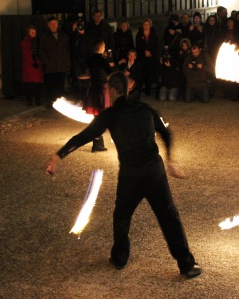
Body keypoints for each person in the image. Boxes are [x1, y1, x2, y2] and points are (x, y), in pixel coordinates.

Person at [45, 72, 202, 279]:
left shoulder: (109, 115)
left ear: (111, 90)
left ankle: (120, 257)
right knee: (169, 217)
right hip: (155, 173)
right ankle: (186, 265)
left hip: (131, 176)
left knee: (121, 217)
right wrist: (171, 160)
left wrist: (58, 155)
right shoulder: (145, 109)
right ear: (128, 88)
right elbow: (166, 132)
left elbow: (84, 136)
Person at [85, 39, 117, 152]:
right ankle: (100, 143)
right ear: (101, 47)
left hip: (93, 89)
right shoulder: (102, 60)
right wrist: (111, 65)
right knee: (105, 116)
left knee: (96, 116)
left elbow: (87, 72)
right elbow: (110, 72)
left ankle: (97, 144)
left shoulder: (89, 59)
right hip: (102, 89)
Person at [40, 17, 71, 108]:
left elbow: (67, 50)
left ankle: (60, 103)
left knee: (60, 85)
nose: (53, 25)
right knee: (50, 85)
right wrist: (47, 61)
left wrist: (67, 62)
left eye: (55, 23)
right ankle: (50, 102)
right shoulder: (44, 37)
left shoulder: (63, 36)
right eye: (51, 24)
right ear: (48, 25)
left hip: (61, 65)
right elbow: (42, 51)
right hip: (50, 66)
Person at [135, 18, 158, 97]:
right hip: (142, 57)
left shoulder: (154, 34)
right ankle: (139, 90)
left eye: (148, 24)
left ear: (150, 25)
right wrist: (144, 52)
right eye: (145, 24)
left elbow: (156, 46)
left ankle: (148, 90)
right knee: (141, 73)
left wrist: (150, 53)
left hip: (151, 57)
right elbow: (137, 46)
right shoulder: (139, 34)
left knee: (149, 73)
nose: (146, 26)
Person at [21, 26, 43, 106]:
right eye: (31, 32)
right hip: (30, 66)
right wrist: (33, 62)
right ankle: (30, 100)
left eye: (34, 32)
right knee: (29, 84)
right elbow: (26, 54)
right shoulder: (25, 42)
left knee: (37, 84)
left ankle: (37, 99)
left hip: (36, 65)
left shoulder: (38, 41)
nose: (33, 33)